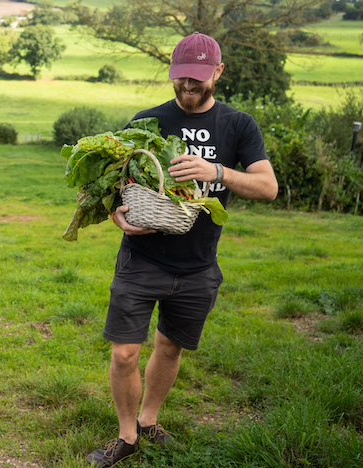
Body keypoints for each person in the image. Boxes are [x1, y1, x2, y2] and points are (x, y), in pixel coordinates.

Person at [86, 32, 278, 467]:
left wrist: (217, 170)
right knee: (124, 352)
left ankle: (150, 420)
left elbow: (268, 187)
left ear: (218, 73)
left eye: (197, 81)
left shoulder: (238, 125)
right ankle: (127, 435)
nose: (188, 89)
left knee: (170, 348)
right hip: (144, 259)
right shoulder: (147, 121)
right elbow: (118, 187)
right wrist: (117, 213)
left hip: (198, 265)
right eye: (181, 80)